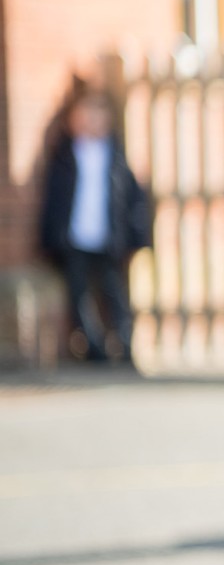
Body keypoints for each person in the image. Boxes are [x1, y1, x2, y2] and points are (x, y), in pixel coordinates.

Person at [36, 79, 151, 365]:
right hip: (75, 235)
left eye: (99, 113)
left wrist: (137, 235)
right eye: (86, 112)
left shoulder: (114, 155)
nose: (92, 120)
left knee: (114, 291)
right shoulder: (64, 154)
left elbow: (132, 198)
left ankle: (124, 345)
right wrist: (50, 237)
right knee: (80, 294)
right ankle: (94, 348)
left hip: (107, 234)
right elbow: (53, 200)